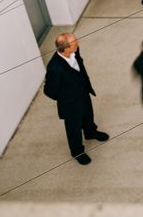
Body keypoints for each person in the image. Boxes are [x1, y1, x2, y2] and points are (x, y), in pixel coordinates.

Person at [43, 33, 109, 164]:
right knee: (73, 129)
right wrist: (67, 96)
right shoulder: (55, 68)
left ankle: (90, 133)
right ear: (65, 49)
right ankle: (77, 151)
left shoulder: (74, 51)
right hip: (70, 105)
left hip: (83, 93)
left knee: (88, 115)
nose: (78, 44)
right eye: (75, 43)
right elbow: (49, 91)